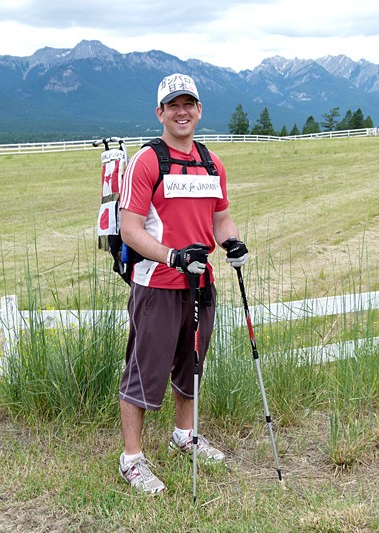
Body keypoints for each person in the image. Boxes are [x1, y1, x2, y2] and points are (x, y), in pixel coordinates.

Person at [118, 73, 248, 494]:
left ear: (199, 110)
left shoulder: (212, 163)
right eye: (173, 105)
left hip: (200, 284)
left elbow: (220, 216)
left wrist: (231, 242)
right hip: (156, 283)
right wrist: (173, 255)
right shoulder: (147, 161)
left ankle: (184, 435)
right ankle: (132, 460)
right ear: (160, 112)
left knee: (190, 366)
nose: (182, 111)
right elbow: (130, 229)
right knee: (143, 372)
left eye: (188, 103)